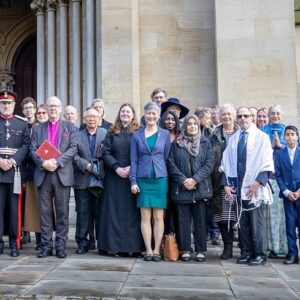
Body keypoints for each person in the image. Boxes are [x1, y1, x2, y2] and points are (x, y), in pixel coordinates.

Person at [221, 106, 274, 266]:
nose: (243, 118)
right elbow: (225, 163)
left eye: (246, 116)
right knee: (243, 224)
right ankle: (247, 252)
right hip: (238, 188)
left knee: (257, 224)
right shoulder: (234, 139)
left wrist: (257, 183)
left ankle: (260, 254)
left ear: (252, 118)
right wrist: (226, 186)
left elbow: (267, 162)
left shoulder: (262, 137)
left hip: (255, 188)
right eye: (240, 116)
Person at [31, 96, 78, 259]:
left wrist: (57, 162)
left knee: (62, 212)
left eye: (56, 106)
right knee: (44, 212)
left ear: (60, 108)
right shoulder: (38, 128)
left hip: (61, 174)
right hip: (43, 174)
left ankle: (60, 246)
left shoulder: (70, 127)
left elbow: (73, 148)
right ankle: (45, 246)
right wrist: (43, 163)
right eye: (50, 106)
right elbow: (33, 149)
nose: (52, 109)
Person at [99, 103, 144, 256]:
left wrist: (131, 167)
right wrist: (117, 167)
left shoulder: (139, 131)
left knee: (133, 212)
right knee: (113, 211)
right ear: (119, 114)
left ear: (133, 115)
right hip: (114, 176)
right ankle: (115, 246)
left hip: (134, 175)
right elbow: (105, 152)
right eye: (123, 111)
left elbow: (142, 151)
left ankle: (133, 247)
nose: (125, 114)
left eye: (128, 112)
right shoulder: (112, 131)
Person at [168, 115, 214, 262]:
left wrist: (195, 179)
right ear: (185, 126)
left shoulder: (205, 143)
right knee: (183, 221)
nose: (192, 126)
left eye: (195, 124)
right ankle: (185, 249)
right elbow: (171, 163)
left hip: (200, 188)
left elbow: (209, 164)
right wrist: (183, 180)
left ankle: (200, 250)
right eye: (189, 124)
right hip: (181, 188)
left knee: (200, 221)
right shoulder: (176, 144)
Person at [130, 102, 171, 262]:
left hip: (160, 179)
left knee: (159, 217)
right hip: (142, 179)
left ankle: (156, 250)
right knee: (145, 217)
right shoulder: (137, 135)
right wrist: (133, 181)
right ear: (144, 115)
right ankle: (148, 250)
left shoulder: (165, 134)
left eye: (154, 113)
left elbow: (166, 156)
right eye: (148, 113)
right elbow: (133, 160)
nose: (151, 116)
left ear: (158, 115)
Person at [0, 90, 30, 257]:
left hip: (14, 173)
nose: (6, 106)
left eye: (9, 103)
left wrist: (12, 161)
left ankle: (14, 243)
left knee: (14, 210)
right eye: (3, 103)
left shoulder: (22, 124)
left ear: (13, 105)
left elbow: (26, 146)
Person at [73, 108, 107, 254]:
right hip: (82, 179)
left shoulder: (105, 134)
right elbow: (73, 155)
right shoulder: (77, 135)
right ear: (84, 119)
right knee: (83, 212)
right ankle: (82, 242)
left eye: (94, 116)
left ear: (99, 119)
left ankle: (102, 243)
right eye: (89, 116)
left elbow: (109, 153)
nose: (92, 119)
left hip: (100, 180)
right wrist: (85, 165)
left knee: (101, 212)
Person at [210, 103, 239, 259]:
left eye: (229, 114)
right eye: (224, 114)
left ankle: (245, 247)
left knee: (239, 214)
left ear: (233, 116)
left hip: (239, 181)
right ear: (220, 117)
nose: (227, 117)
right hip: (219, 181)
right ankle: (227, 247)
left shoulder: (241, 133)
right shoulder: (214, 135)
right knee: (223, 216)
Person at [262, 104, 288, 258]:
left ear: (281, 115)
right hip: (268, 178)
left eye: (278, 113)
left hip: (284, 180)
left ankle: (283, 248)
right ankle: (271, 247)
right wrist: (271, 147)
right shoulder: (263, 130)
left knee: (283, 216)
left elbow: (294, 148)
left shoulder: (287, 130)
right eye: (272, 113)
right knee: (269, 215)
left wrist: (280, 146)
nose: (275, 116)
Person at [195, 106, 220, 245]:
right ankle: (202, 232)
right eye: (207, 117)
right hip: (197, 174)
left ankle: (214, 232)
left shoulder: (212, 132)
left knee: (211, 206)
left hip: (210, 174)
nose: (210, 120)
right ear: (199, 118)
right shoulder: (193, 130)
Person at [275, 125, 300, 264]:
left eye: (293, 134)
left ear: (297, 136)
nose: (290, 137)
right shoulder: (279, 154)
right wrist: (287, 192)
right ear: (284, 137)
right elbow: (278, 175)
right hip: (288, 195)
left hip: (299, 193)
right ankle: (292, 253)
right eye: (288, 134)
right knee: (290, 225)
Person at [21, 97, 42, 251]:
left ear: (35, 109)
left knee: (37, 205)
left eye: (30, 107)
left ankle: (40, 238)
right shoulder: (20, 126)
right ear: (22, 111)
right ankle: (24, 233)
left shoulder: (40, 127)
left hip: (37, 170)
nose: (28, 110)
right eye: (25, 108)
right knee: (23, 205)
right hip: (21, 170)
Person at [159, 111, 181, 235]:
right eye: (167, 119)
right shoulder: (159, 134)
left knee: (177, 210)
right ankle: (165, 242)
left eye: (173, 119)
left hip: (177, 177)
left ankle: (179, 242)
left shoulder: (181, 136)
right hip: (163, 175)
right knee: (164, 211)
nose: (170, 122)